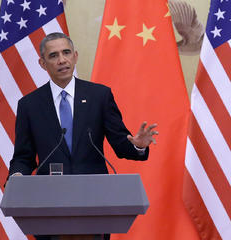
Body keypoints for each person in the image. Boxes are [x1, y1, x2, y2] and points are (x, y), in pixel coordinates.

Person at [8, 32, 158, 176]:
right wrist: (17, 175)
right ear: (42, 63)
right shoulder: (29, 105)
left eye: (66, 52)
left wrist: (138, 145)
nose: (62, 60)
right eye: (53, 55)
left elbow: (121, 145)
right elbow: (23, 157)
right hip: (50, 193)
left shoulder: (99, 96)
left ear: (75, 56)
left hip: (93, 191)